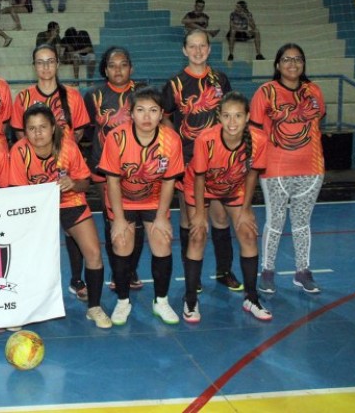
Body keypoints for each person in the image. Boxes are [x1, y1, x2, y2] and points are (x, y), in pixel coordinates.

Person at [10, 104, 112, 328]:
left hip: (69, 202)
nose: (38, 133)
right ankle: (25, 309)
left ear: (53, 128)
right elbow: (17, 193)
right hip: (35, 208)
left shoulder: (68, 147)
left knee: (94, 252)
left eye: (43, 127)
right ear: (25, 132)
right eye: (31, 128)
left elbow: (85, 183)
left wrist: (73, 183)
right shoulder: (19, 151)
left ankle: (94, 307)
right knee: (28, 257)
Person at [162, 29, 242, 292]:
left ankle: (224, 271)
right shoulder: (175, 83)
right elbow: (164, 117)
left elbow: (231, 114)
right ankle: (192, 276)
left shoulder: (220, 79)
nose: (198, 51)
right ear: (184, 50)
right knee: (190, 219)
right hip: (188, 160)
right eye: (192, 46)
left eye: (202, 46)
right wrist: (176, 145)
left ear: (209, 49)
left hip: (219, 161)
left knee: (220, 217)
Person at [11, 44, 91, 302]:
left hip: (64, 171)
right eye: (40, 62)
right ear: (34, 66)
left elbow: (79, 131)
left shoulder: (72, 96)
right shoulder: (23, 97)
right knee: (35, 235)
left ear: (57, 63)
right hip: (34, 176)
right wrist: (37, 159)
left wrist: (62, 156)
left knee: (72, 230)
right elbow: (20, 133)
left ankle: (76, 280)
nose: (45, 66)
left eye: (50, 61)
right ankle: (36, 288)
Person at [98, 86, 184, 326]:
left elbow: (169, 181)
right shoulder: (117, 138)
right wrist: (118, 219)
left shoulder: (171, 140)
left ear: (161, 114)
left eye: (153, 110)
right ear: (131, 114)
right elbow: (112, 181)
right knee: (121, 242)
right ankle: (122, 301)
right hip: (122, 200)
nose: (147, 117)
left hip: (155, 200)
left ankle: (161, 301)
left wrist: (161, 217)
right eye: (141, 110)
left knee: (162, 240)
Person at [183, 92, 272, 323]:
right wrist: (200, 214)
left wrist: (246, 209)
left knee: (248, 233)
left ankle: (251, 298)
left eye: (238, 116)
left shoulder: (259, 139)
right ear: (219, 117)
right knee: (198, 235)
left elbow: (252, 175)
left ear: (248, 117)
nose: (232, 122)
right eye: (227, 116)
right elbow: (200, 178)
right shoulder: (206, 139)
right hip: (200, 186)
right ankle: (190, 299)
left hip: (234, 187)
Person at [250, 44, 326, 295]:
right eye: (286, 59)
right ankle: (267, 272)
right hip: (276, 170)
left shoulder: (314, 91)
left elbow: (318, 121)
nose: (292, 64)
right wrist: (255, 165)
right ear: (277, 64)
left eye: (297, 59)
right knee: (275, 221)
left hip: (311, 169)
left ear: (303, 63)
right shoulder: (265, 92)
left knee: (302, 223)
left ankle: (302, 272)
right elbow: (255, 132)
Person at [83, 47, 145, 292]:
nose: (118, 70)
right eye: (112, 65)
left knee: (137, 222)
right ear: (105, 69)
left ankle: (131, 269)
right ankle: (118, 270)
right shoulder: (93, 95)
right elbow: (87, 131)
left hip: (139, 170)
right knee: (113, 221)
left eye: (123, 64)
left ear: (131, 67)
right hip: (103, 168)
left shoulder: (143, 93)